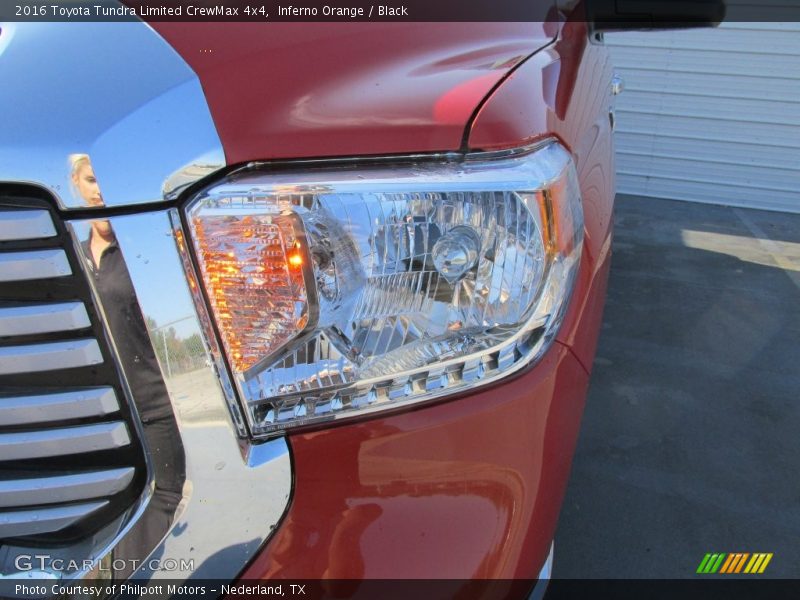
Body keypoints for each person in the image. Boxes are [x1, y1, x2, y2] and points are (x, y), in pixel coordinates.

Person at [71, 154, 186, 576]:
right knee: (103, 511)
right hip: (95, 416)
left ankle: (121, 583)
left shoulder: (138, 258)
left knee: (165, 493)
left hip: (152, 403)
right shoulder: (70, 259)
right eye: (91, 179)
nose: (100, 189)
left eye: (109, 179)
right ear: (77, 186)